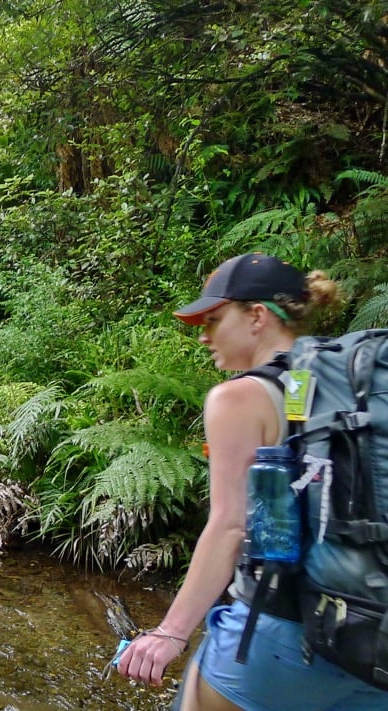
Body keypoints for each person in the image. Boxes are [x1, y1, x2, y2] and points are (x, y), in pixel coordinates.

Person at [117, 253, 388, 710]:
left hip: (280, 636)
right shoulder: (354, 388)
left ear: (257, 316)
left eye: (214, 319)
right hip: (374, 644)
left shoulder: (239, 398)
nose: (203, 336)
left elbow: (231, 526)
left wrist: (170, 633)